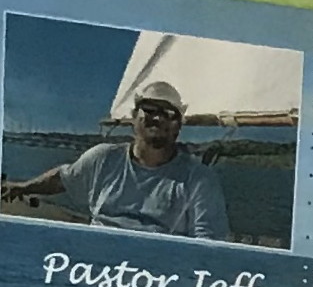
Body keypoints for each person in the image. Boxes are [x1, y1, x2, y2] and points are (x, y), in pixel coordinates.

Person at [1, 77, 228, 238]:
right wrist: (21, 188)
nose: (158, 118)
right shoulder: (103, 158)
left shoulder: (199, 179)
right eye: (149, 109)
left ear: (179, 125)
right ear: (133, 116)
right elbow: (64, 177)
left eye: (169, 114)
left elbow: (208, 243)